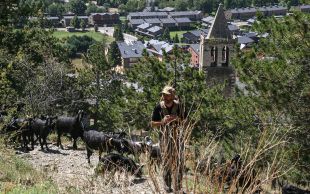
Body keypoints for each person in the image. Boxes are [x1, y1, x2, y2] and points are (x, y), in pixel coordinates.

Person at [151, 85, 186, 193]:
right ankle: (167, 186)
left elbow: (186, 121)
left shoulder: (179, 106)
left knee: (179, 161)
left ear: (172, 95)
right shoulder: (158, 107)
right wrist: (162, 122)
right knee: (166, 161)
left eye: (167, 94)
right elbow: (152, 124)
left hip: (177, 137)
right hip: (164, 137)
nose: (165, 96)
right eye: (164, 94)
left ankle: (178, 186)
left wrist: (177, 119)